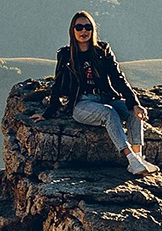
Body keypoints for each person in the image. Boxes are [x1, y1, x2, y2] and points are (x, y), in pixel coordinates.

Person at [46, 10, 150, 175]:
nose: (83, 31)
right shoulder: (66, 55)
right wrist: (47, 113)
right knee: (109, 114)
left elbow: (118, 77)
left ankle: (138, 158)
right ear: (72, 30)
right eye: (79, 27)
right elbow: (57, 84)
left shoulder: (102, 50)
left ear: (93, 29)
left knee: (132, 112)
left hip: (104, 97)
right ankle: (130, 158)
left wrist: (135, 102)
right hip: (81, 103)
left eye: (87, 27)